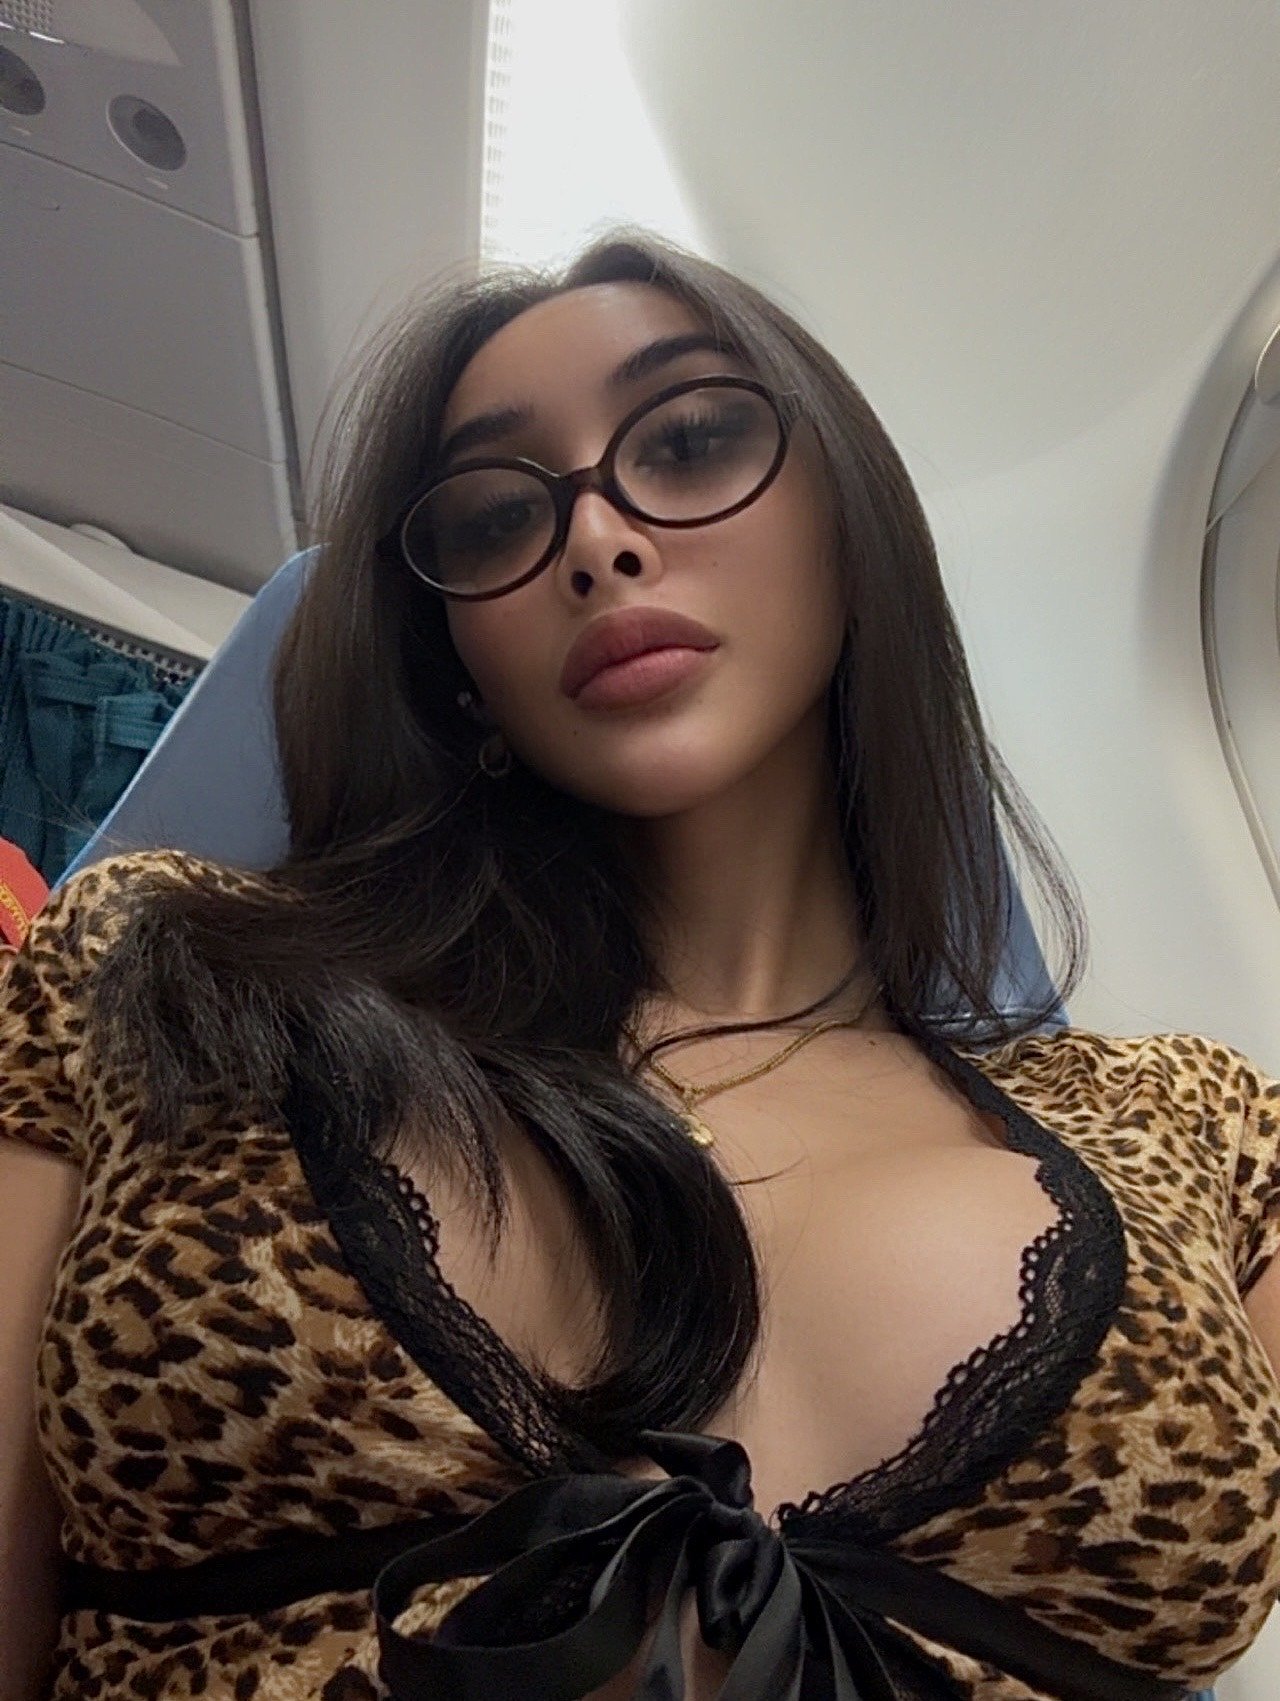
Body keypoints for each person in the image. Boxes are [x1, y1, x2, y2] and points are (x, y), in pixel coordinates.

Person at [1, 230, 1276, 1701]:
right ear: (457, 660)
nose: (597, 540)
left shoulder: (1202, 1128)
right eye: (495, 517)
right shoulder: (158, 972)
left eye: (688, 440)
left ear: (850, 522)